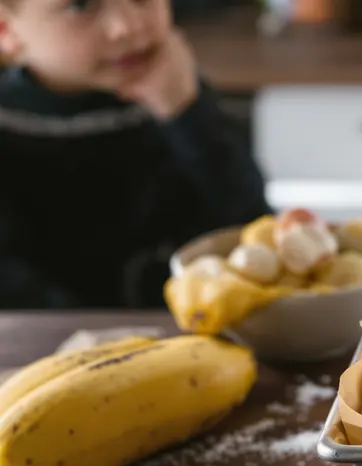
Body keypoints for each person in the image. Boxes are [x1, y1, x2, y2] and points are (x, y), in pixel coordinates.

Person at [0, 0, 271, 309]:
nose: (127, 27)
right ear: (5, 29)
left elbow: (255, 235)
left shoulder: (179, 94)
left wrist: (186, 112)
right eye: (80, 6)